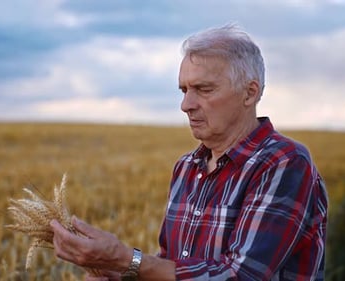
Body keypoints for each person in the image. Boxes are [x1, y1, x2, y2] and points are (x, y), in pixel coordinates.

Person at [50, 24, 328, 281]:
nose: (186, 104)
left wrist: (127, 260)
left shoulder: (284, 163)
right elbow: (172, 266)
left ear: (250, 93)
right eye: (183, 90)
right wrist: (122, 275)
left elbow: (240, 275)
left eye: (203, 89)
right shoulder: (186, 167)